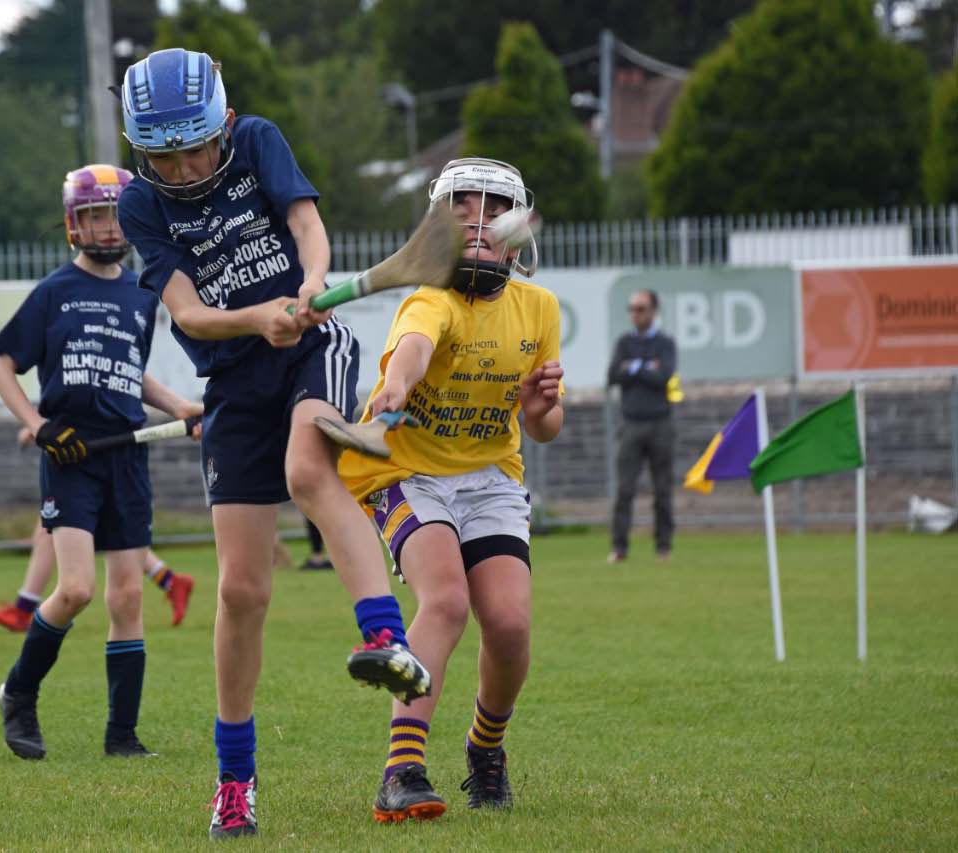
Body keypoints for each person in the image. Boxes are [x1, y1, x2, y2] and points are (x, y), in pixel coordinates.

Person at [117, 47, 431, 839]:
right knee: (241, 591)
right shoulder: (140, 207)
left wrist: (306, 289)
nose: (185, 167)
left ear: (222, 122)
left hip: (311, 349)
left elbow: (305, 225)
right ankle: (234, 780)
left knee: (307, 468)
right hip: (232, 379)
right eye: (164, 155)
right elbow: (186, 314)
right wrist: (254, 319)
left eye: (195, 146)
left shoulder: (257, 140)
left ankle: (386, 638)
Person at [338, 157, 563, 822]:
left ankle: (484, 748)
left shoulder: (538, 307)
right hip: (410, 472)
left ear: (515, 227)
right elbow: (409, 352)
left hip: (492, 476)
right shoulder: (427, 299)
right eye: (461, 205)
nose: (476, 218)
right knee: (446, 601)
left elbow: (545, 427)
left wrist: (537, 402)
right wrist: (396, 388)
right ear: (438, 222)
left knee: (511, 623)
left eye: (491, 207)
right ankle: (401, 769)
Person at [0, 163, 203, 762]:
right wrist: (35, 426)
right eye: (93, 217)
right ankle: (20, 691)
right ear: (72, 224)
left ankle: (122, 735)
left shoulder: (142, 293)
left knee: (128, 597)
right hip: (70, 453)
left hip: (126, 455)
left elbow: (129, 375)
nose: (107, 228)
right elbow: (2, 368)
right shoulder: (54, 291)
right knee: (78, 588)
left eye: (114, 216)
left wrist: (179, 404)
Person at [0, 427, 196, 630]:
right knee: (109, 538)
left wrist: (36, 425)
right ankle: (172, 581)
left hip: (91, 453)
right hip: (90, 452)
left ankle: (23, 610)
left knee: (57, 530)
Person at [606, 288, 677, 563]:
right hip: (631, 424)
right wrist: (645, 366)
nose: (635, 314)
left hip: (661, 424)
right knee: (625, 490)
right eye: (632, 309)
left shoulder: (666, 343)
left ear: (653, 311)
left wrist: (632, 368)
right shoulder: (624, 343)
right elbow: (613, 375)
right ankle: (619, 547)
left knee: (662, 490)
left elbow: (664, 377)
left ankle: (663, 547)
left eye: (641, 308)